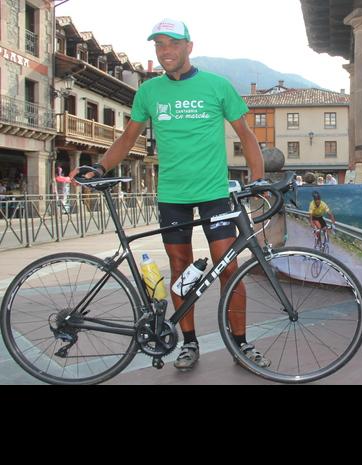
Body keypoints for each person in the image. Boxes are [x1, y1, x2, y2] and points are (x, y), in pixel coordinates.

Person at [79, 18, 269, 371]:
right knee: (181, 269)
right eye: (159, 45)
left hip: (214, 192)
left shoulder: (217, 86)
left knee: (229, 269)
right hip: (172, 195)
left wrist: (256, 179)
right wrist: (101, 167)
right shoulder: (149, 92)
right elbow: (127, 138)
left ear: (189, 47)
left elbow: (246, 135)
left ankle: (241, 344)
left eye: (172, 44)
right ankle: (189, 344)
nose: (165, 51)